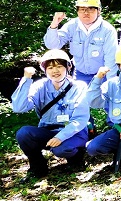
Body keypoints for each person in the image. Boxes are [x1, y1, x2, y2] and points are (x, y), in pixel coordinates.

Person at [11, 50, 89, 178]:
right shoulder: (40, 86)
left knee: (62, 149)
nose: (55, 71)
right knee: (24, 133)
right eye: (50, 67)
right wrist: (26, 79)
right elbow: (19, 107)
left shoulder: (78, 87)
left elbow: (80, 119)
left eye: (59, 66)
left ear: (68, 67)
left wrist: (61, 137)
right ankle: (38, 167)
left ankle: (77, 158)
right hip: (48, 131)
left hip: (73, 132)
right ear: (45, 70)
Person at [44, 0, 118, 84]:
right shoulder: (71, 26)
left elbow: (111, 60)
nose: (86, 13)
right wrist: (54, 24)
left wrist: (110, 84)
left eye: (90, 9)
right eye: (82, 9)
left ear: (98, 11)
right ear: (77, 11)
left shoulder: (108, 30)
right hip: (79, 75)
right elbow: (52, 45)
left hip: (103, 76)